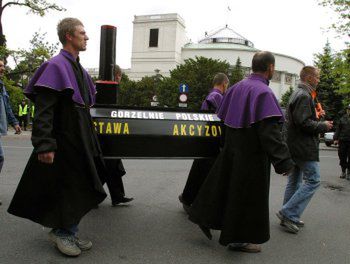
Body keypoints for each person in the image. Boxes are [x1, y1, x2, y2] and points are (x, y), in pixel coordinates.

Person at [8, 18, 108, 257]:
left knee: (81, 185)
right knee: (69, 188)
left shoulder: (77, 68)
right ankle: (62, 232)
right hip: (64, 140)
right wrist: (44, 144)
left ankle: (69, 231)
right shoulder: (55, 66)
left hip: (80, 139)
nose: (87, 37)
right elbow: (43, 111)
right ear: (69, 37)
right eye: (82, 33)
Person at [188, 51, 294, 253]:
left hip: (232, 150)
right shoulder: (264, 93)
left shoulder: (235, 88)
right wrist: (284, 162)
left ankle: (205, 217)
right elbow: (269, 132)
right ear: (270, 68)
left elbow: (223, 121)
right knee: (245, 199)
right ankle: (238, 240)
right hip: (251, 156)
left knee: (225, 190)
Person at [277, 66, 333, 234]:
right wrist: (323, 125)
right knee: (313, 180)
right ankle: (288, 212)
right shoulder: (304, 95)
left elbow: (303, 119)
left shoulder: (299, 93)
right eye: (317, 77)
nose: (319, 80)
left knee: (294, 181)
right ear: (309, 78)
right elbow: (304, 123)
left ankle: (288, 216)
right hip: (303, 147)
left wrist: (318, 117)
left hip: (295, 145)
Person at [178, 73, 229, 212]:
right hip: (211, 141)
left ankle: (188, 197)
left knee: (200, 171)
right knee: (206, 173)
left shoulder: (210, 96)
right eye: (227, 85)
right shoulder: (217, 97)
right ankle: (191, 199)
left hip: (205, 139)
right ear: (224, 83)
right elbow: (222, 118)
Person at [103, 64, 134, 206]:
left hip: (107, 135)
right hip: (106, 136)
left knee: (111, 166)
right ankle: (115, 196)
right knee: (109, 166)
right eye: (120, 75)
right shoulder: (109, 90)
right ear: (116, 76)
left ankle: (117, 196)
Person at [0, 59, 21, 205]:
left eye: (3, 66)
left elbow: (7, 107)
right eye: (0, 66)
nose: (3, 69)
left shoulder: (2, 87)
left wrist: (14, 123)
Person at [334, 105, 350, 180]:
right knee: (342, 156)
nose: (349, 111)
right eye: (348, 109)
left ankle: (349, 173)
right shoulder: (342, 119)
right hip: (343, 140)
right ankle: (343, 171)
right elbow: (338, 129)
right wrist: (335, 139)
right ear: (347, 110)